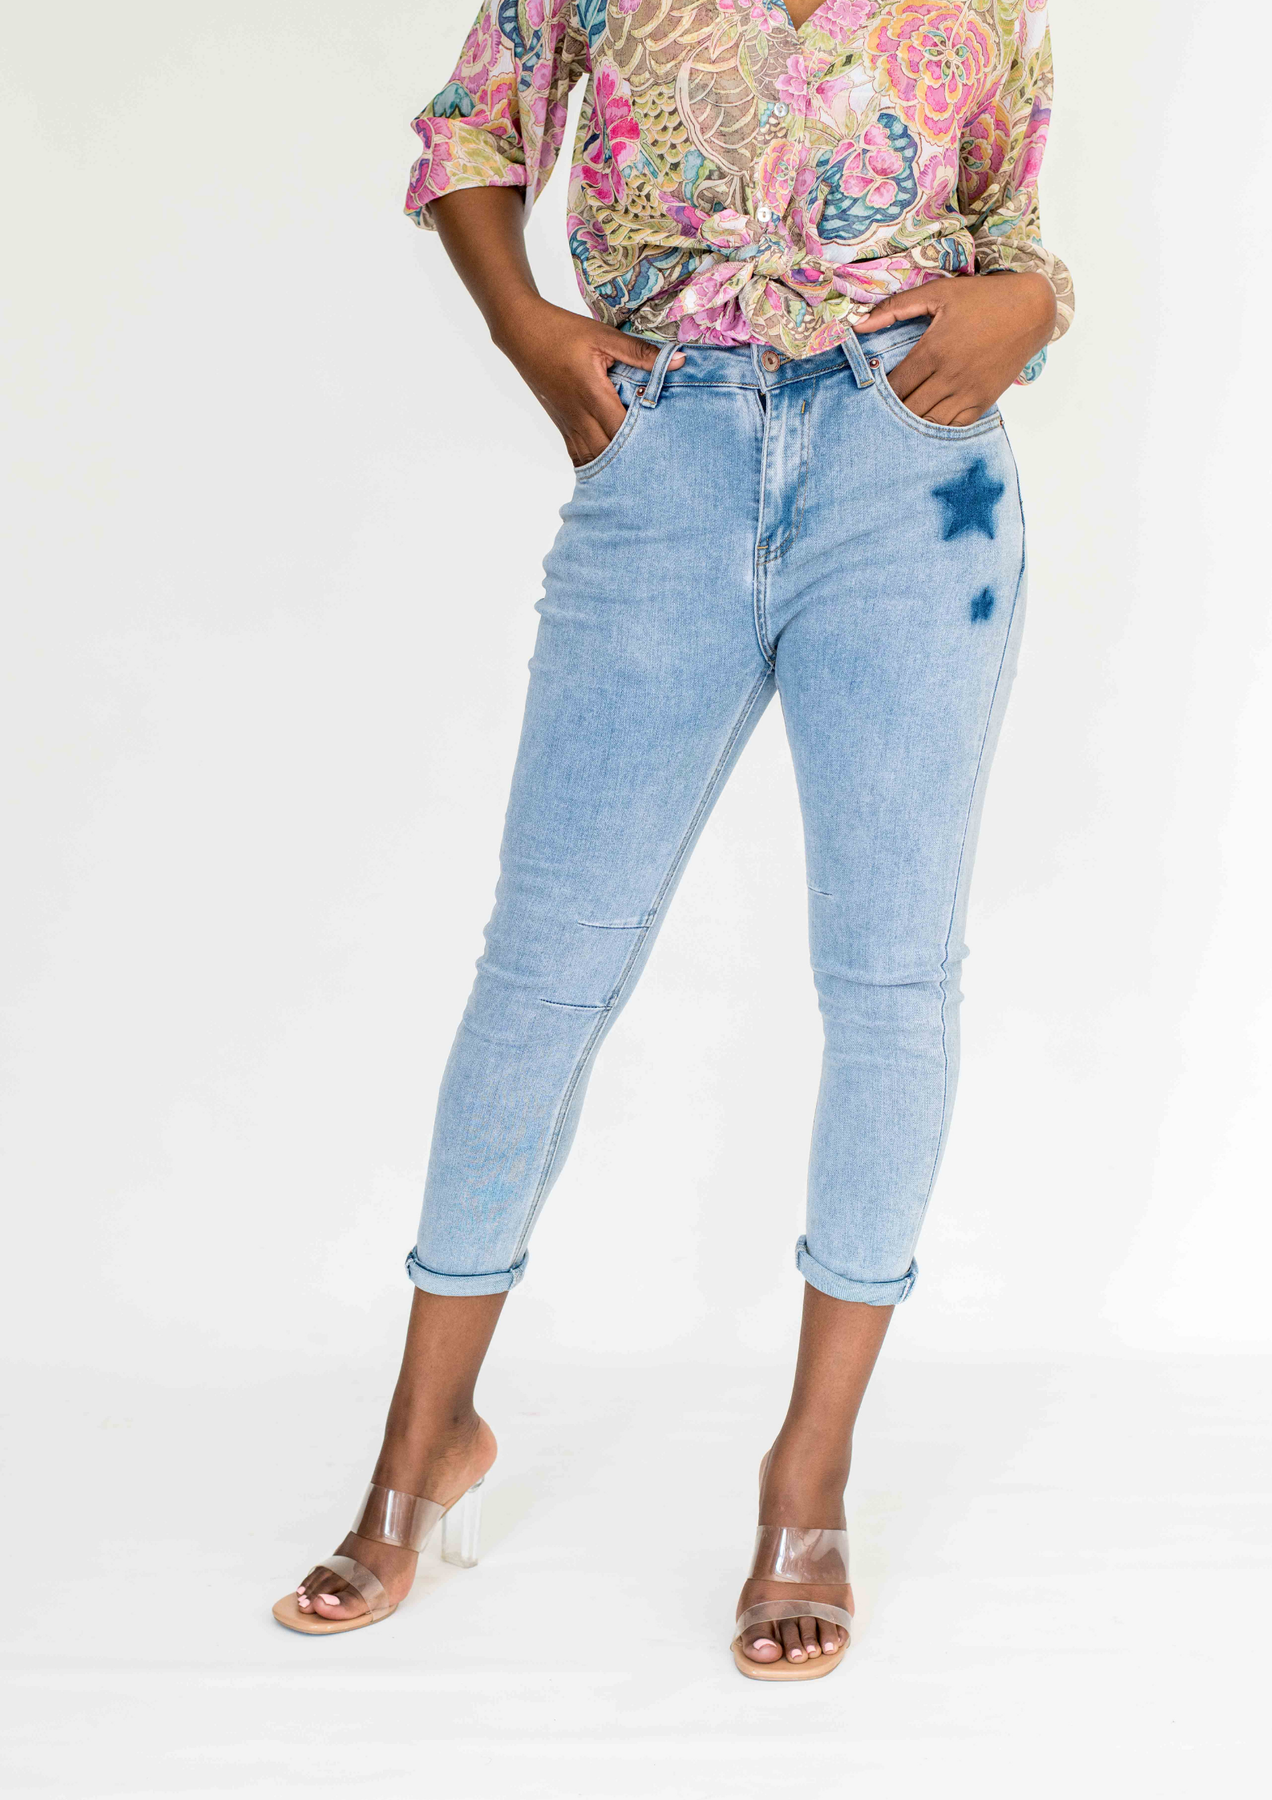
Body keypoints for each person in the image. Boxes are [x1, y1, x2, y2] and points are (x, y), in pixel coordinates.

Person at [273, 0, 1072, 1680]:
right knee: (544, 970)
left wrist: (1039, 301)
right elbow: (471, 132)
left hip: (915, 480)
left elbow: (1007, 233)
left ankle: (809, 1479)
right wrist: (528, 330)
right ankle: (422, 1442)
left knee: (890, 981)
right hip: (665, 452)